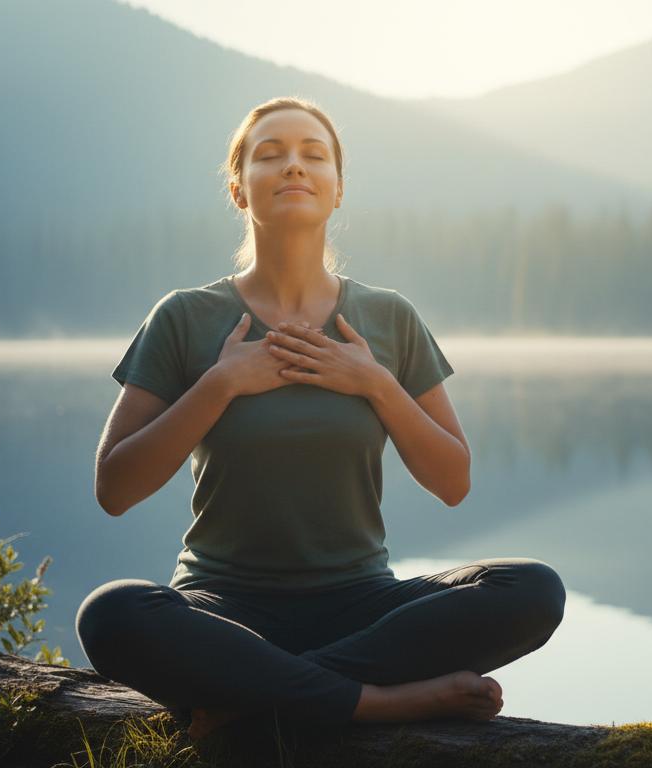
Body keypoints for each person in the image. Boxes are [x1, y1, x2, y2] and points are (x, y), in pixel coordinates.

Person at [76, 96, 566, 742]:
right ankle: (381, 703)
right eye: (269, 154)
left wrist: (375, 383)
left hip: (363, 605)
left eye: (313, 155)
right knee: (112, 614)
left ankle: (258, 695)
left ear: (338, 190)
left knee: (531, 588)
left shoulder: (388, 317)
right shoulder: (184, 317)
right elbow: (115, 488)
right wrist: (221, 384)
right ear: (238, 189)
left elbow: (453, 481)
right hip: (224, 605)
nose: (293, 166)